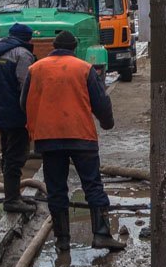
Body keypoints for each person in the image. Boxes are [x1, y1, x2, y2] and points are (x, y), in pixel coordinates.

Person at [22, 31, 124, 252]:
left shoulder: (36, 69)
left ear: (54, 47)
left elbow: (24, 102)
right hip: (81, 136)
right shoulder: (83, 68)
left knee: (56, 188)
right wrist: (107, 124)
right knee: (92, 184)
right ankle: (101, 234)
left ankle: (62, 240)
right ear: (74, 47)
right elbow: (101, 102)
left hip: (48, 138)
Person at [0, 23, 38, 214]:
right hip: (16, 114)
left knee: (7, 153)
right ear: (26, 38)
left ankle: (12, 194)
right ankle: (12, 200)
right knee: (16, 155)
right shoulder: (22, 54)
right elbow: (26, 87)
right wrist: (31, 112)